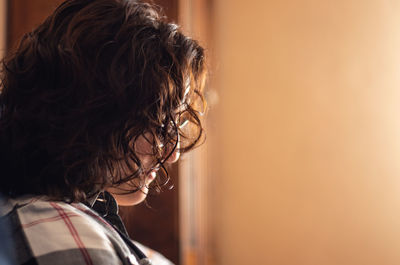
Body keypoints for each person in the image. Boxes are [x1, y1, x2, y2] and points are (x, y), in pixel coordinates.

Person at [0, 0, 206, 264]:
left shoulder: (88, 226)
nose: (173, 153)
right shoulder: (66, 236)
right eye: (159, 125)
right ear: (93, 113)